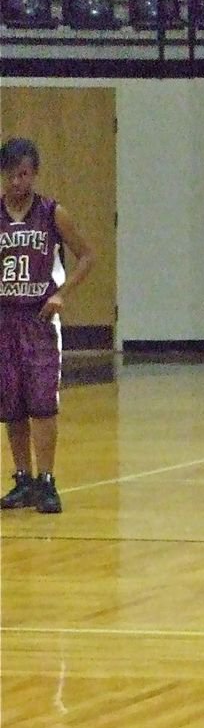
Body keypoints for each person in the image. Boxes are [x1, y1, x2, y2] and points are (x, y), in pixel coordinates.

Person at [0, 137, 96, 515]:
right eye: (10, 174)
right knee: (12, 403)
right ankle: (22, 478)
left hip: (38, 319)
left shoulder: (53, 213)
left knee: (42, 403)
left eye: (24, 174)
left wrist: (62, 293)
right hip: (4, 317)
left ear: (35, 174)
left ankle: (48, 480)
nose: (17, 182)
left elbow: (87, 255)